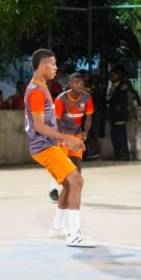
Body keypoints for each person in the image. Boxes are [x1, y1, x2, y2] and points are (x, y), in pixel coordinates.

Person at [25, 49, 94, 247]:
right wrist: (67, 138)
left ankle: (57, 228)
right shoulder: (36, 91)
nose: (56, 68)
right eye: (53, 64)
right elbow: (39, 126)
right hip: (44, 147)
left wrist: (62, 140)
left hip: (50, 144)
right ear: (41, 66)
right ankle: (74, 235)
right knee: (77, 180)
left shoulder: (41, 86)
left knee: (69, 184)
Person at [49, 73, 95, 208]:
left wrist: (85, 132)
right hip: (63, 135)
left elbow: (88, 117)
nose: (80, 85)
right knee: (60, 163)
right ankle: (54, 189)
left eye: (81, 83)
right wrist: (62, 137)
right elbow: (55, 120)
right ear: (70, 84)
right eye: (76, 82)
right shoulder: (61, 99)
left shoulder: (87, 97)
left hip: (76, 136)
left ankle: (72, 192)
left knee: (76, 165)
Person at [107, 65, 138, 161]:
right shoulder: (113, 85)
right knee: (114, 135)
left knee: (121, 135)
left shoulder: (124, 84)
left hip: (120, 113)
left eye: (113, 75)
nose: (111, 77)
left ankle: (124, 155)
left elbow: (121, 98)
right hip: (114, 113)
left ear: (118, 75)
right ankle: (117, 154)